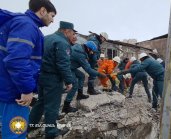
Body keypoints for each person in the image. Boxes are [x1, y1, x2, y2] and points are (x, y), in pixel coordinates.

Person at [0, 0, 56, 138]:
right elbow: (16, 60)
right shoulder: (27, 26)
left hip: (5, 87)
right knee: (16, 133)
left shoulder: (21, 23)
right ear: (42, 11)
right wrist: (26, 90)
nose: (53, 20)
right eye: (52, 15)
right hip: (14, 93)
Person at [29, 21, 76, 139]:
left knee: (41, 101)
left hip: (41, 75)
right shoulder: (62, 42)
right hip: (53, 78)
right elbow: (62, 64)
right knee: (52, 106)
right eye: (72, 33)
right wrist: (69, 81)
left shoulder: (47, 38)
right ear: (66, 31)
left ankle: (31, 124)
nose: (73, 36)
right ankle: (51, 132)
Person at [62, 41, 107, 113]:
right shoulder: (80, 54)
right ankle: (66, 107)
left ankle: (79, 94)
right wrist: (100, 74)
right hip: (67, 68)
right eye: (92, 51)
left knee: (81, 76)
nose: (92, 53)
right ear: (88, 49)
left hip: (71, 66)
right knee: (74, 85)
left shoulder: (80, 48)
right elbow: (88, 69)